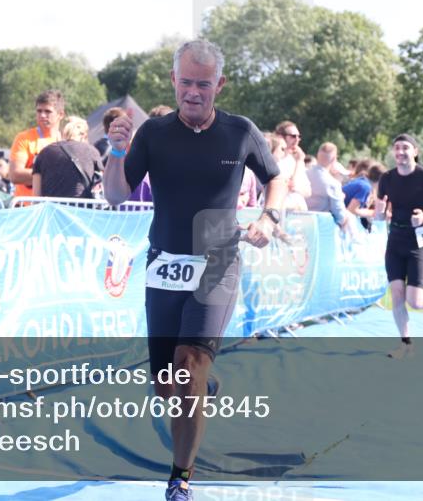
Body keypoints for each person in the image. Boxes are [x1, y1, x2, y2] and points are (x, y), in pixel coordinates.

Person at [102, 39, 287, 501]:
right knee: (168, 384)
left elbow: (276, 178)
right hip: (164, 265)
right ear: (173, 81)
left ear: (219, 85)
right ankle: (204, 383)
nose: (193, 92)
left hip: (218, 262)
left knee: (187, 371)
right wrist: (117, 151)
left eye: (203, 84)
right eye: (185, 82)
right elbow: (115, 196)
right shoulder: (153, 133)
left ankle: (179, 478)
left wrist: (269, 216)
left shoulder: (241, 132)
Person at [375, 133, 423, 360]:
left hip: (421, 236)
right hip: (395, 236)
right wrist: (369, 217)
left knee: (413, 300)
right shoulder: (387, 179)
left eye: (405, 148)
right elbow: (379, 210)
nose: (400, 152)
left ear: (415, 151)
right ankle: (406, 344)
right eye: (396, 148)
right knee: (397, 293)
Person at [9, 90, 65, 198]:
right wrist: (55, 175)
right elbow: (15, 175)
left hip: (55, 208)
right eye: (39, 111)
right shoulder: (24, 138)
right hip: (27, 207)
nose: (42, 115)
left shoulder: (66, 141)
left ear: (61, 114)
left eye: (48, 111)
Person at [32, 116, 103, 199]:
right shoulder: (92, 152)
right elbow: (99, 187)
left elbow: (36, 196)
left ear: (62, 132)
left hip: (52, 210)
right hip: (82, 209)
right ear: (84, 135)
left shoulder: (44, 153)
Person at [304, 142, 353, 230]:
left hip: (300, 225)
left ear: (317, 155)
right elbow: (340, 216)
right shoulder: (333, 183)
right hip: (321, 229)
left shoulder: (303, 174)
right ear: (334, 159)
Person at [274, 120, 311, 210]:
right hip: (280, 211)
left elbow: (308, 192)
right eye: (293, 136)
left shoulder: (294, 161)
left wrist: (296, 188)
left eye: (299, 136)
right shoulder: (274, 161)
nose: (297, 139)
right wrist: (299, 161)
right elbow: (288, 187)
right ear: (280, 137)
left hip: (297, 214)